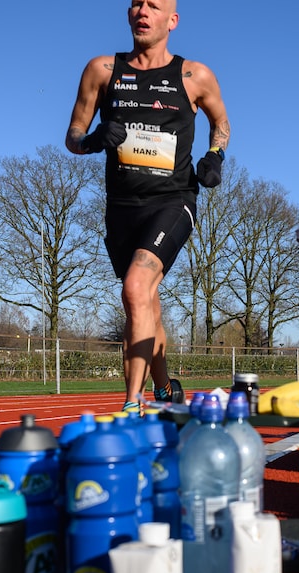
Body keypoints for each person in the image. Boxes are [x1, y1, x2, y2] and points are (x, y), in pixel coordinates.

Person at [66, 0, 229, 411]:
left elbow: (222, 124)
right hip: (121, 206)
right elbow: (72, 137)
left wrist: (215, 158)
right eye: (136, 3)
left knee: (135, 287)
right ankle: (163, 386)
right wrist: (94, 139)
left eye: (153, 5)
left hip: (173, 200)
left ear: (172, 20)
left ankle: (131, 404)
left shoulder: (195, 75)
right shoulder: (102, 70)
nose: (142, 10)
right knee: (145, 302)